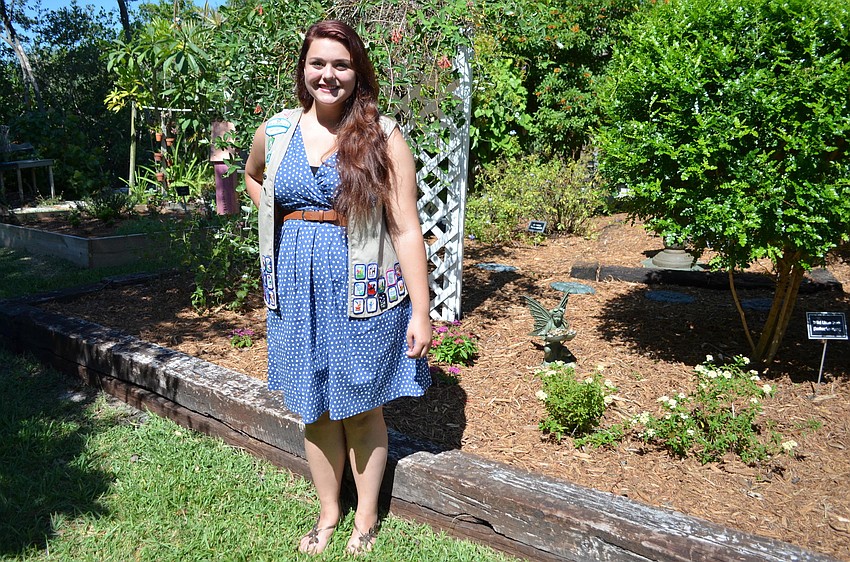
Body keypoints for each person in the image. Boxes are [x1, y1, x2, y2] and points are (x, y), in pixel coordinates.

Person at [243, 20, 432, 556]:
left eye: (341, 64)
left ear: (358, 71)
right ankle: (329, 512)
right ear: (303, 69)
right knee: (314, 406)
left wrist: (423, 311)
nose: (328, 74)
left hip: (363, 289)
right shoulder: (276, 130)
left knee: (361, 407)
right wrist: (279, 216)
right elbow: (252, 175)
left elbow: (406, 227)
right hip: (293, 290)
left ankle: (365, 519)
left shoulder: (384, 136)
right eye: (318, 63)